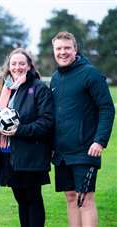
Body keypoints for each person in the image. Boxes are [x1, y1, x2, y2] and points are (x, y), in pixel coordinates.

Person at [50, 31, 115, 227]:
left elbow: (107, 108)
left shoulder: (90, 73)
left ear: (75, 50)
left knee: (84, 200)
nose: (63, 52)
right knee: (70, 198)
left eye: (67, 48)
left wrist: (99, 140)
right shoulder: (55, 78)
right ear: (54, 51)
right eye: (59, 49)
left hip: (85, 149)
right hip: (61, 152)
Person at [0, 48, 54, 227]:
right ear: (9, 66)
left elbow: (46, 123)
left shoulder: (38, 88)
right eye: (14, 64)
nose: (17, 67)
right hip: (7, 154)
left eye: (22, 63)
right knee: (21, 200)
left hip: (31, 154)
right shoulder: (1, 88)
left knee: (32, 198)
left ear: (29, 66)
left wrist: (18, 130)